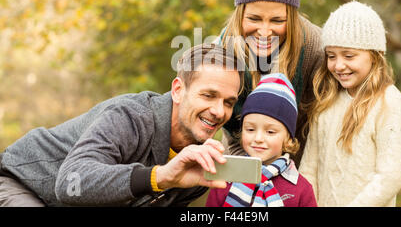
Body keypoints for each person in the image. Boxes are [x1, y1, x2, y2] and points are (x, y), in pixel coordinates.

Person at [0, 43, 244, 206]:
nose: (218, 111)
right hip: (22, 184)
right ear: (178, 91)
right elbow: (69, 182)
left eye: (228, 102)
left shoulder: (198, 167)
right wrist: (161, 176)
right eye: (208, 95)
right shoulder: (131, 117)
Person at [214, 0, 323, 166]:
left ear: (291, 18)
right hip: (242, 159)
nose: (264, 32)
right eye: (254, 19)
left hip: (304, 164)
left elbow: (321, 126)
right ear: (240, 14)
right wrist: (251, 177)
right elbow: (232, 131)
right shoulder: (224, 50)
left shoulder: (315, 47)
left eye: (277, 20)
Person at [298, 0, 401, 207]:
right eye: (331, 56)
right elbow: (309, 169)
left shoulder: (389, 102)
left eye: (349, 56)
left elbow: (390, 178)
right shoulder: (327, 102)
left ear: (375, 57)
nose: (339, 65)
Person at [206, 73, 317, 207]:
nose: (258, 139)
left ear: (288, 138)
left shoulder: (301, 190)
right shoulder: (226, 179)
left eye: (270, 132)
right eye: (250, 130)